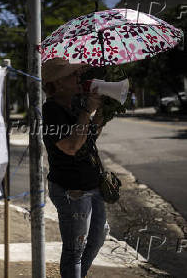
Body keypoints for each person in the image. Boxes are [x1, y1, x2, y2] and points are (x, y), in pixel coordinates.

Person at [41, 58, 109, 278]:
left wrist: (100, 114)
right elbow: (71, 146)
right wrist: (85, 112)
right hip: (72, 190)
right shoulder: (51, 110)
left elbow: (89, 138)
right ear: (58, 83)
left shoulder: (75, 103)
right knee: (74, 250)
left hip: (92, 184)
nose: (78, 77)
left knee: (98, 237)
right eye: (72, 75)